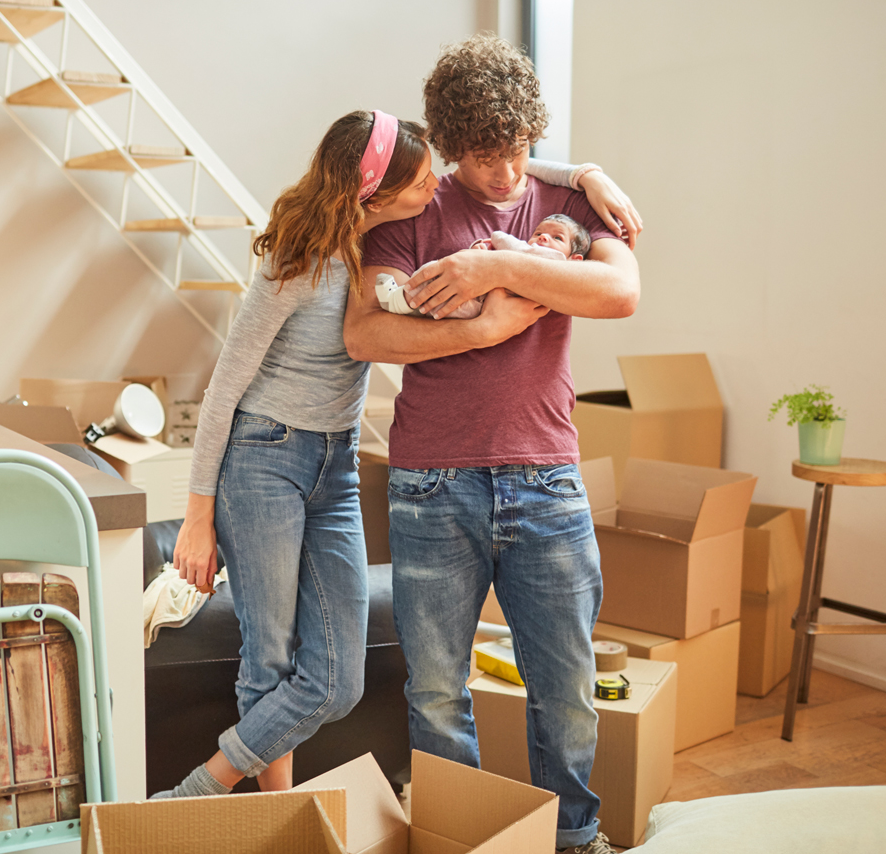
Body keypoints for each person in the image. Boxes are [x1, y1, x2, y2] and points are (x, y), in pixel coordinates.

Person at [154, 108, 635, 800]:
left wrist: (585, 174)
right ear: (370, 192)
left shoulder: (379, 242)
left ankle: (209, 785)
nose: (435, 187)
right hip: (265, 456)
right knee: (270, 657)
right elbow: (225, 388)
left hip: (336, 466)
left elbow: (498, 167)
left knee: (338, 680)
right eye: (417, 183)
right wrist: (198, 517)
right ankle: (257, 815)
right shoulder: (293, 262)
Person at [343, 35, 641, 854]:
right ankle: (456, 836)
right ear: (448, 145)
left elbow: (619, 291)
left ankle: (574, 838)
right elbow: (367, 333)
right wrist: (490, 316)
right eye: (483, 158)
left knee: (569, 689)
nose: (505, 175)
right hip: (432, 486)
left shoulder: (569, 206)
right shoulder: (413, 211)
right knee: (439, 691)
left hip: (547, 477)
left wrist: (489, 266)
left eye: (516, 154)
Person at [375, 212, 591, 319]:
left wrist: (497, 238)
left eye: (557, 238)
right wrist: (481, 249)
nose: (544, 237)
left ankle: (398, 302)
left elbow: (514, 250)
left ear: (574, 260)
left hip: (481, 304)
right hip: (480, 295)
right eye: (538, 233)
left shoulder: (555, 262)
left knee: (444, 299)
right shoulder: (527, 253)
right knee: (440, 272)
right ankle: (401, 299)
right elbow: (493, 261)